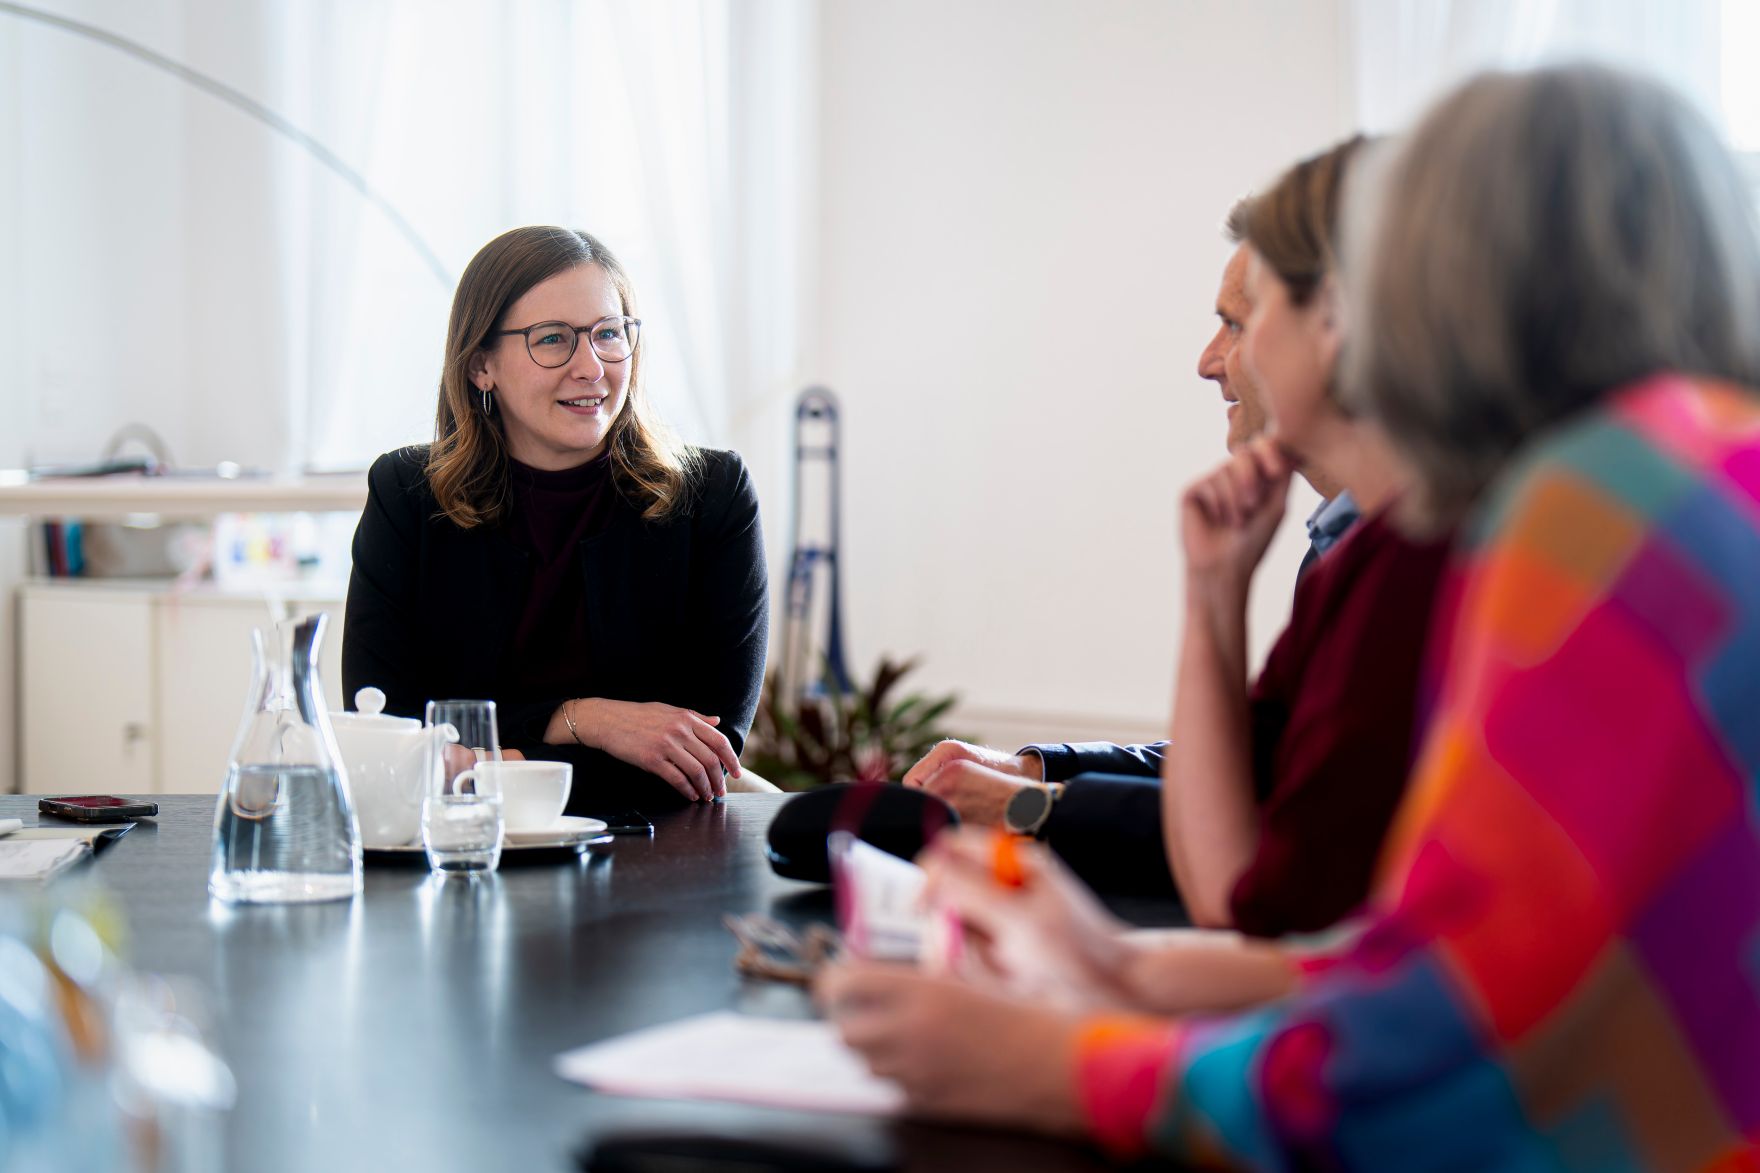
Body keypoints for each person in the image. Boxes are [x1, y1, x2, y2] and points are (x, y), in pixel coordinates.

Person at [824, 65, 1760, 1166]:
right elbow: (1456, 959)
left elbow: (1439, 1062)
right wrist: (1125, 971)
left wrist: (1048, 1065)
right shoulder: (1701, 471)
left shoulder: (1591, 511)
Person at [910, 139, 1452, 941]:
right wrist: (1039, 768)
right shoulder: (1342, 544)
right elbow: (1256, 765)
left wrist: (1032, 808)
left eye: (1238, 322)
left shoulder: (1419, 563)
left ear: (1336, 325)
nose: (1210, 361)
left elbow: (1263, 876)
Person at [344, 226, 768, 815]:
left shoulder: (713, 497)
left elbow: (701, 758)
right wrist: (587, 720)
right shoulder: (408, 495)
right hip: (458, 856)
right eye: (552, 340)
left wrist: (492, 764)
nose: (591, 367)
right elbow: (386, 731)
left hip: (652, 861)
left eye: (608, 335)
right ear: (479, 365)